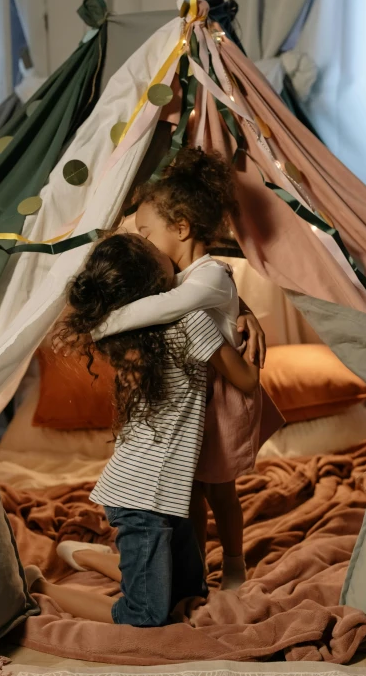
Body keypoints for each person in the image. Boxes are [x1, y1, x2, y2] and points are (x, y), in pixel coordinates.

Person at [57, 148, 284, 591]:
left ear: (180, 228)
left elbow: (174, 306)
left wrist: (102, 325)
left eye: (146, 231)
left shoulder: (209, 276)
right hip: (195, 392)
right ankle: (194, 567)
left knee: (219, 490)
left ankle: (234, 565)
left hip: (223, 395)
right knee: (190, 490)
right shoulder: (189, 276)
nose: (143, 240)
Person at [26, 231, 259, 626]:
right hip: (141, 500)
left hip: (173, 494)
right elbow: (247, 380)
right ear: (156, 280)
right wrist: (250, 341)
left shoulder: (125, 334)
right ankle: (40, 587)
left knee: (191, 594)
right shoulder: (193, 322)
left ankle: (87, 556)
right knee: (146, 615)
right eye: (155, 250)